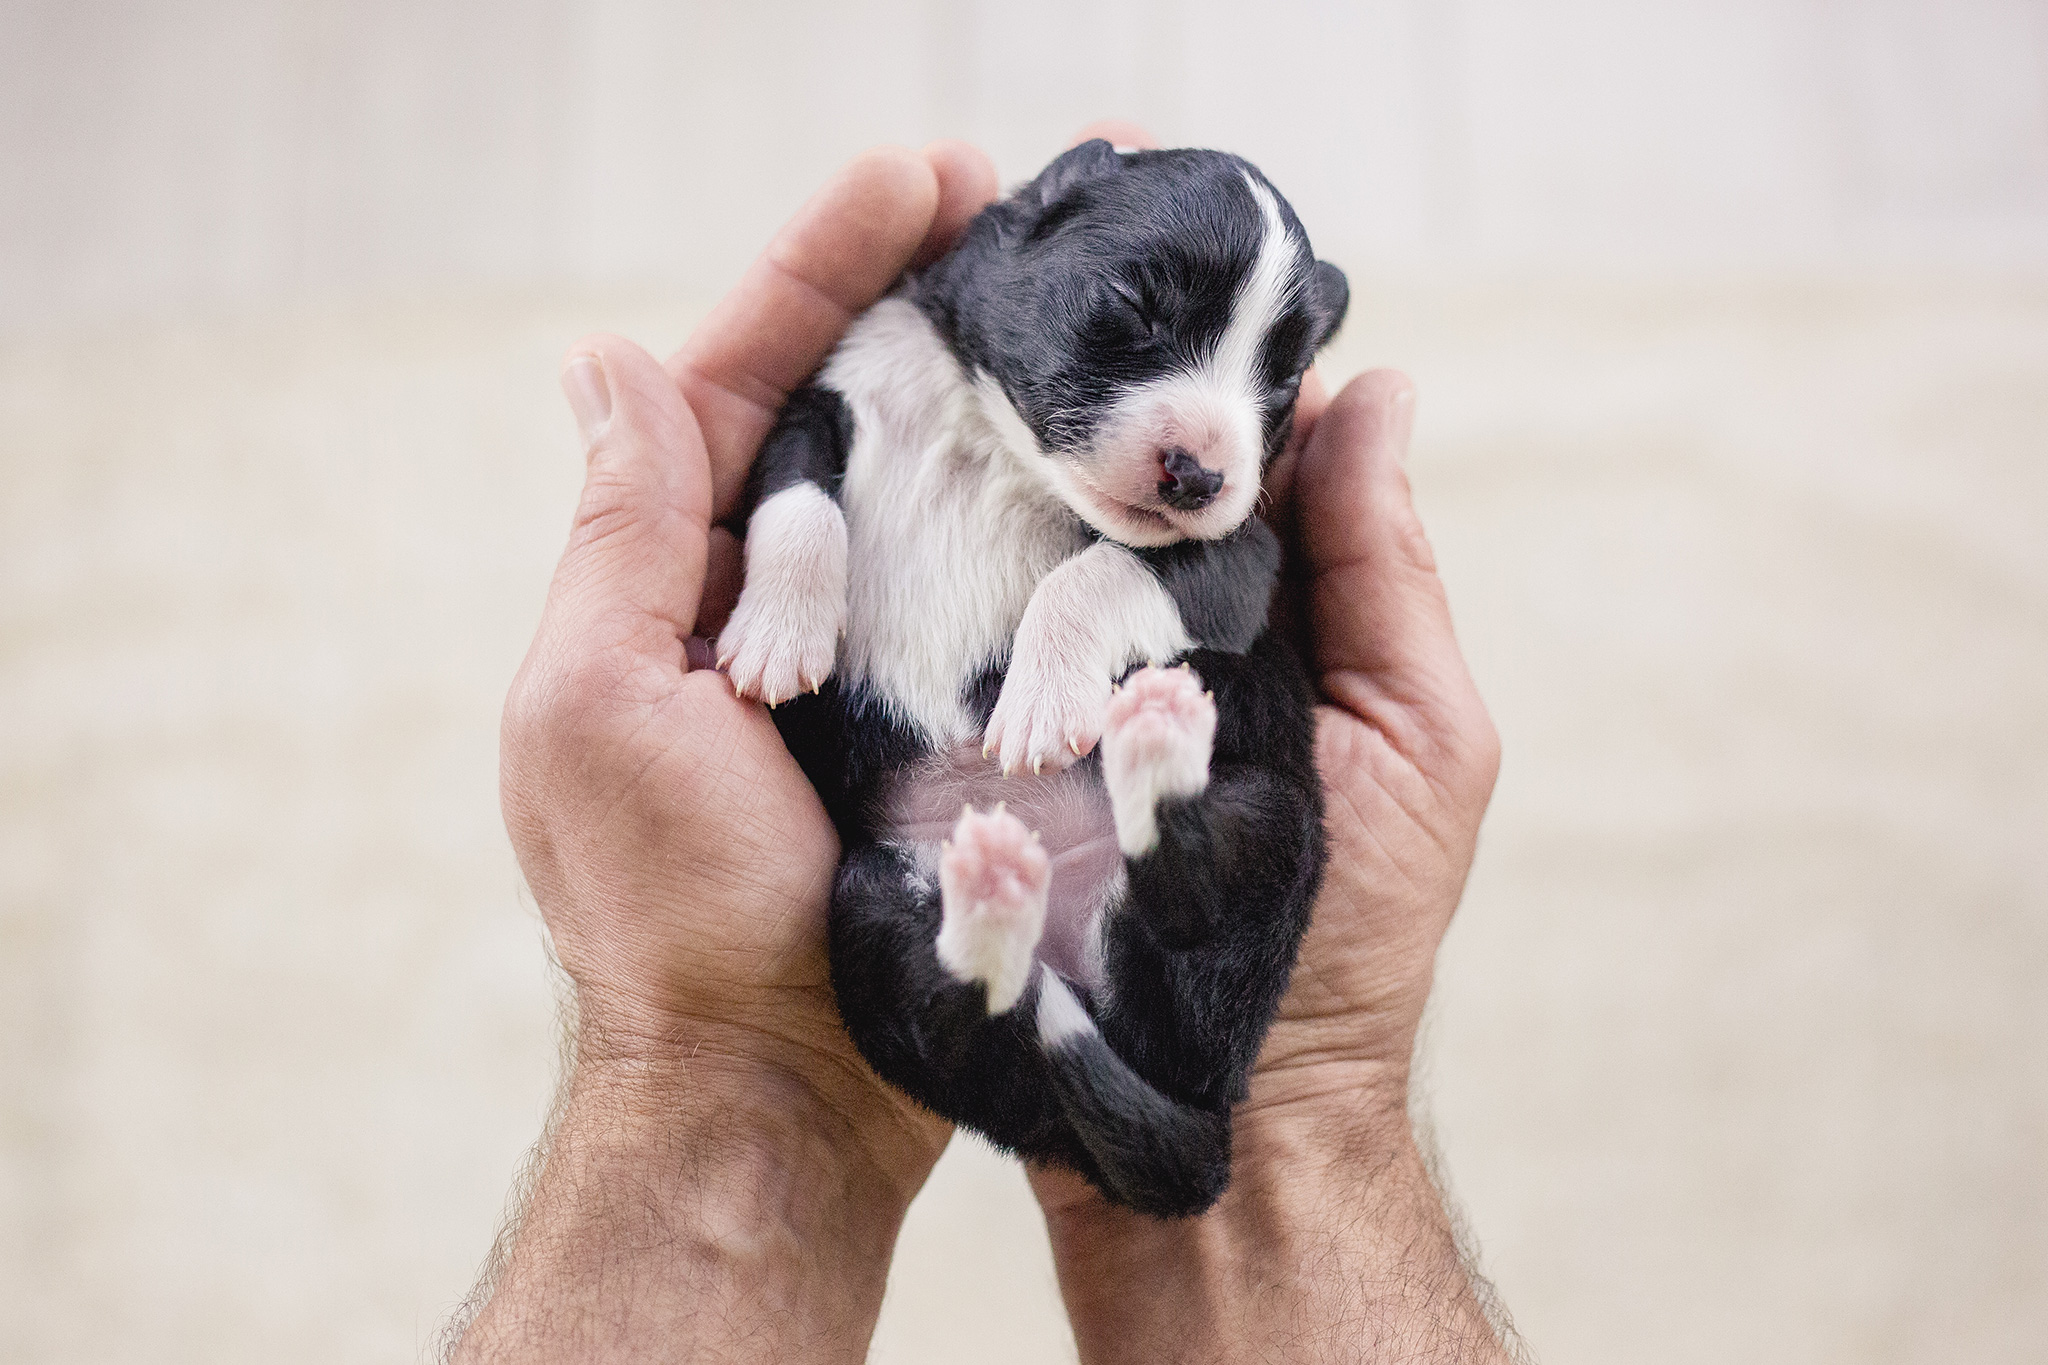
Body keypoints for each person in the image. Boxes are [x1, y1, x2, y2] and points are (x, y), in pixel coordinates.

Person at [447, 122, 1515, 1364]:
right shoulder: (888, 348)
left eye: (1261, 384)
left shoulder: (1194, 524)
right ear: (1042, 215)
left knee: (1242, 771)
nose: (1206, 442)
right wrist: (794, 562)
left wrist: (1078, 630)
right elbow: (804, 455)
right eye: (1136, 310)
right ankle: (996, 971)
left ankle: (1120, 858)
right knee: (870, 915)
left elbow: (1222, 587)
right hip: (921, 860)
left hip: (1160, 892)